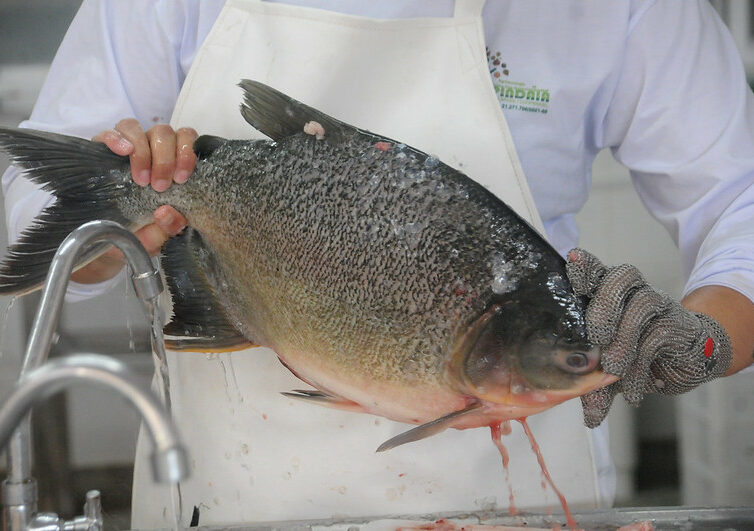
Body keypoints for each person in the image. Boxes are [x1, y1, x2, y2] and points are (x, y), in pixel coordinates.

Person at [3, 0, 753, 527]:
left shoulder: (622, 10)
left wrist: (704, 337)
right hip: (229, 497)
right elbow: (26, 215)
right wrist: (124, 210)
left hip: (515, 499)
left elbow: (740, 202)